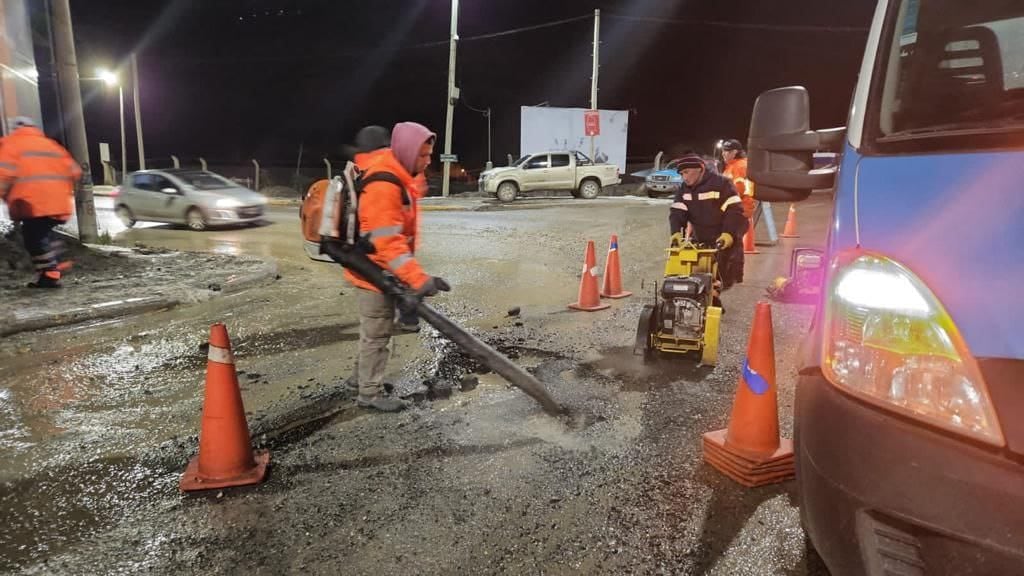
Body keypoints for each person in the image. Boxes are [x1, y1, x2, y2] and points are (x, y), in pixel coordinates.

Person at [343, 121, 449, 412]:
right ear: (406, 151)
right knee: (377, 334)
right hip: (372, 272)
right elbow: (387, 241)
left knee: (374, 331)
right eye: (423, 155)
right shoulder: (383, 184)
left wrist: (420, 277)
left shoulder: (398, 174)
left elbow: (398, 239)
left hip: (382, 269)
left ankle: (359, 380)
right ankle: (369, 394)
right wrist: (417, 278)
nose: (428, 161)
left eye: (430, 155)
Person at [348, 125, 421, 334]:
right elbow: (386, 239)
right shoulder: (382, 177)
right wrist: (420, 279)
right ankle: (408, 319)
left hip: (374, 262)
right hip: (379, 263)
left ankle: (408, 318)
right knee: (375, 338)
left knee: (374, 336)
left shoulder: (369, 173)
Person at [0, 117, 82, 288]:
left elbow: (4, 173)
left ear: (16, 129)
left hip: (32, 204)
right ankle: (56, 258)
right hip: (58, 204)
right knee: (41, 234)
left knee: (33, 237)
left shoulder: (11, 144)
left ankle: (51, 274)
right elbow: (75, 171)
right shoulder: (51, 145)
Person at [669, 154, 748, 305]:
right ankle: (706, 300)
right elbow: (677, 212)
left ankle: (714, 298)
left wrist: (728, 234)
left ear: (700, 169)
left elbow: (734, 210)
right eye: (681, 174)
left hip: (722, 235)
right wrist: (676, 233)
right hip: (700, 236)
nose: (684, 177)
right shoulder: (684, 189)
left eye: (686, 172)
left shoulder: (722, 184)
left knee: (723, 271)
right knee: (698, 269)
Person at [720, 138, 755, 284]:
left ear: (735, 152)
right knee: (733, 243)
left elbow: (737, 190)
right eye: (723, 151)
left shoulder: (740, 166)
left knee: (734, 244)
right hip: (735, 210)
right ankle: (731, 275)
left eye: (727, 151)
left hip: (738, 210)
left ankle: (734, 276)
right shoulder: (731, 166)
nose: (724, 154)